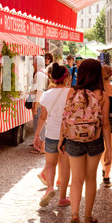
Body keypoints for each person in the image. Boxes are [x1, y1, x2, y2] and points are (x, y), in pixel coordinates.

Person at [58, 59, 112, 223]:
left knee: (76, 179)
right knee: (91, 178)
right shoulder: (102, 95)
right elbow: (105, 125)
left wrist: (61, 139)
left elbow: (65, 116)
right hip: (94, 140)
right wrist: (109, 150)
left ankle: (75, 214)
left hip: (73, 139)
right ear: (97, 74)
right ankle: (88, 216)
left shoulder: (72, 92)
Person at [34, 63, 71, 207]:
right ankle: (62, 198)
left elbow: (43, 117)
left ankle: (49, 188)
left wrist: (37, 136)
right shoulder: (71, 92)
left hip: (51, 134)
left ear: (53, 78)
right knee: (65, 165)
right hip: (67, 135)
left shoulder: (46, 94)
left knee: (50, 164)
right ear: (66, 77)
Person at [101, 65, 112, 187]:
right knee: (109, 148)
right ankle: (106, 176)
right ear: (111, 75)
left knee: (101, 149)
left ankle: (103, 168)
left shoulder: (96, 91)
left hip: (98, 122)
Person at [30, 55, 48, 154]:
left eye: (33, 63)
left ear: (36, 63)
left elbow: (39, 91)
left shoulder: (39, 74)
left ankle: (42, 148)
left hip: (40, 103)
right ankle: (40, 146)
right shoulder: (44, 72)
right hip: (43, 101)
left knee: (40, 125)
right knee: (41, 125)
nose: (33, 65)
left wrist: (35, 106)